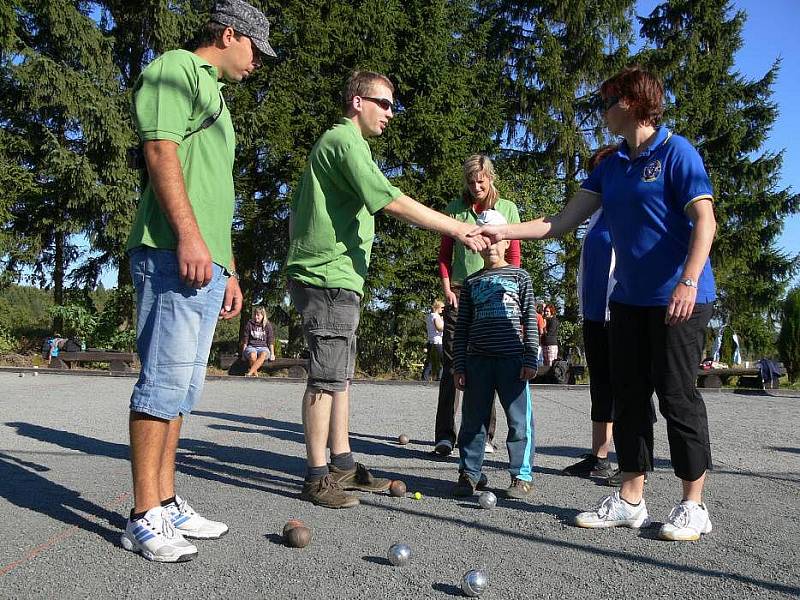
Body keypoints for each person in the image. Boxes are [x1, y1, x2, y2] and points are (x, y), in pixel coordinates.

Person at [472, 66, 717, 542]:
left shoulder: (676, 152)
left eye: (606, 100)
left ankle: (694, 505)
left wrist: (688, 282)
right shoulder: (611, 165)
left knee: (676, 397)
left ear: (629, 101)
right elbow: (561, 222)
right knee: (628, 397)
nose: (601, 110)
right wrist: (501, 231)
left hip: (679, 299)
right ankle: (630, 500)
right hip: (626, 300)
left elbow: (704, 221)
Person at [285, 70, 490, 509]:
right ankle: (317, 476)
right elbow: (390, 199)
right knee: (325, 378)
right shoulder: (344, 141)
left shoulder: (351, 145)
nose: (391, 114)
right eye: (385, 103)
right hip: (325, 277)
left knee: (339, 376)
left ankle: (340, 464)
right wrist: (459, 228)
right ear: (358, 102)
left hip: (341, 278)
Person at [122, 0, 276, 562]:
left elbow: (218, 194)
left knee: (183, 389)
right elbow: (160, 150)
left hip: (205, 263)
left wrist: (229, 267)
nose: (258, 62)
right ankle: (142, 515)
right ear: (229, 33)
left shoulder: (217, 99)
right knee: (161, 384)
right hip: (169, 251)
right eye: (255, 49)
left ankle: (165, 500)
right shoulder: (176, 68)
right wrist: (187, 237)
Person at [433, 155, 522, 458]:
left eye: (480, 181)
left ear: (490, 178)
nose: (476, 186)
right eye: (471, 182)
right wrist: (447, 287)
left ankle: (485, 434)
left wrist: (513, 293)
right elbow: (445, 255)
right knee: (451, 364)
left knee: (489, 361)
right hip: (461, 292)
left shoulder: (508, 209)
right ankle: (445, 435)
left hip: (496, 293)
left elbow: (516, 256)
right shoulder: (455, 210)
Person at [451, 209, 538, 499]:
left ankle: (521, 475)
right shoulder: (472, 283)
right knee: (473, 420)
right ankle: (469, 473)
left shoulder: (520, 277)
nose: (489, 245)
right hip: (478, 362)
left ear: (505, 241)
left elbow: (529, 319)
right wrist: (459, 365)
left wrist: (530, 357)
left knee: (518, 422)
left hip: (513, 361)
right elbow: (461, 328)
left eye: (494, 238)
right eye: (483, 239)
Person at [562, 145, 618, 480]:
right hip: (596, 312)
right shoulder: (596, 215)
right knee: (600, 383)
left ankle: (632, 462)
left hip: (621, 310)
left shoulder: (627, 211)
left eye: (600, 172)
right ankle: (599, 457)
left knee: (626, 386)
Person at [240, 305, 276, 377]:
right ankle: (255, 374)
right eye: (255, 315)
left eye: (258, 315)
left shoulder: (267, 325)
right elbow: (245, 339)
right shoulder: (249, 324)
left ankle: (250, 373)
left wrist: (272, 354)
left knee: (263, 354)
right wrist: (243, 353)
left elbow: (270, 340)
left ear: (263, 315)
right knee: (252, 355)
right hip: (251, 347)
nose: (256, 317)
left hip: (263, 347)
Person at [422, 300, 445, 381]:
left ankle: (424, 378)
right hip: (438, 342)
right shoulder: (436, 316)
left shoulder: (429, 316)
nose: (443, 309)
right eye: (442, 307)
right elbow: (439, 328)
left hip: (431, 341)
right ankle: (440, 378)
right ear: (437, 307)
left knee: (430, 361)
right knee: (444, 361)